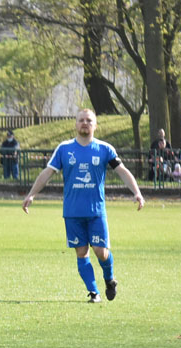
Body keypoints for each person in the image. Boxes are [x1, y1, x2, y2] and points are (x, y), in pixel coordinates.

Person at [22, 108, 145, 303]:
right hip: (72, 212)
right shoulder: (64, 148)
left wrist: (137, 192)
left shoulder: (105, 149)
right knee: (81, 252)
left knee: (101, 251)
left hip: (96, 211)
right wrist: (32, 195)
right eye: (81, 120)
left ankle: (109, 279)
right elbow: (48, 172)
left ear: (95, 125)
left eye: (89, 120)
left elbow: (122, 171)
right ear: (76, 124)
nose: (85, 123)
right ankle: (94, 293)